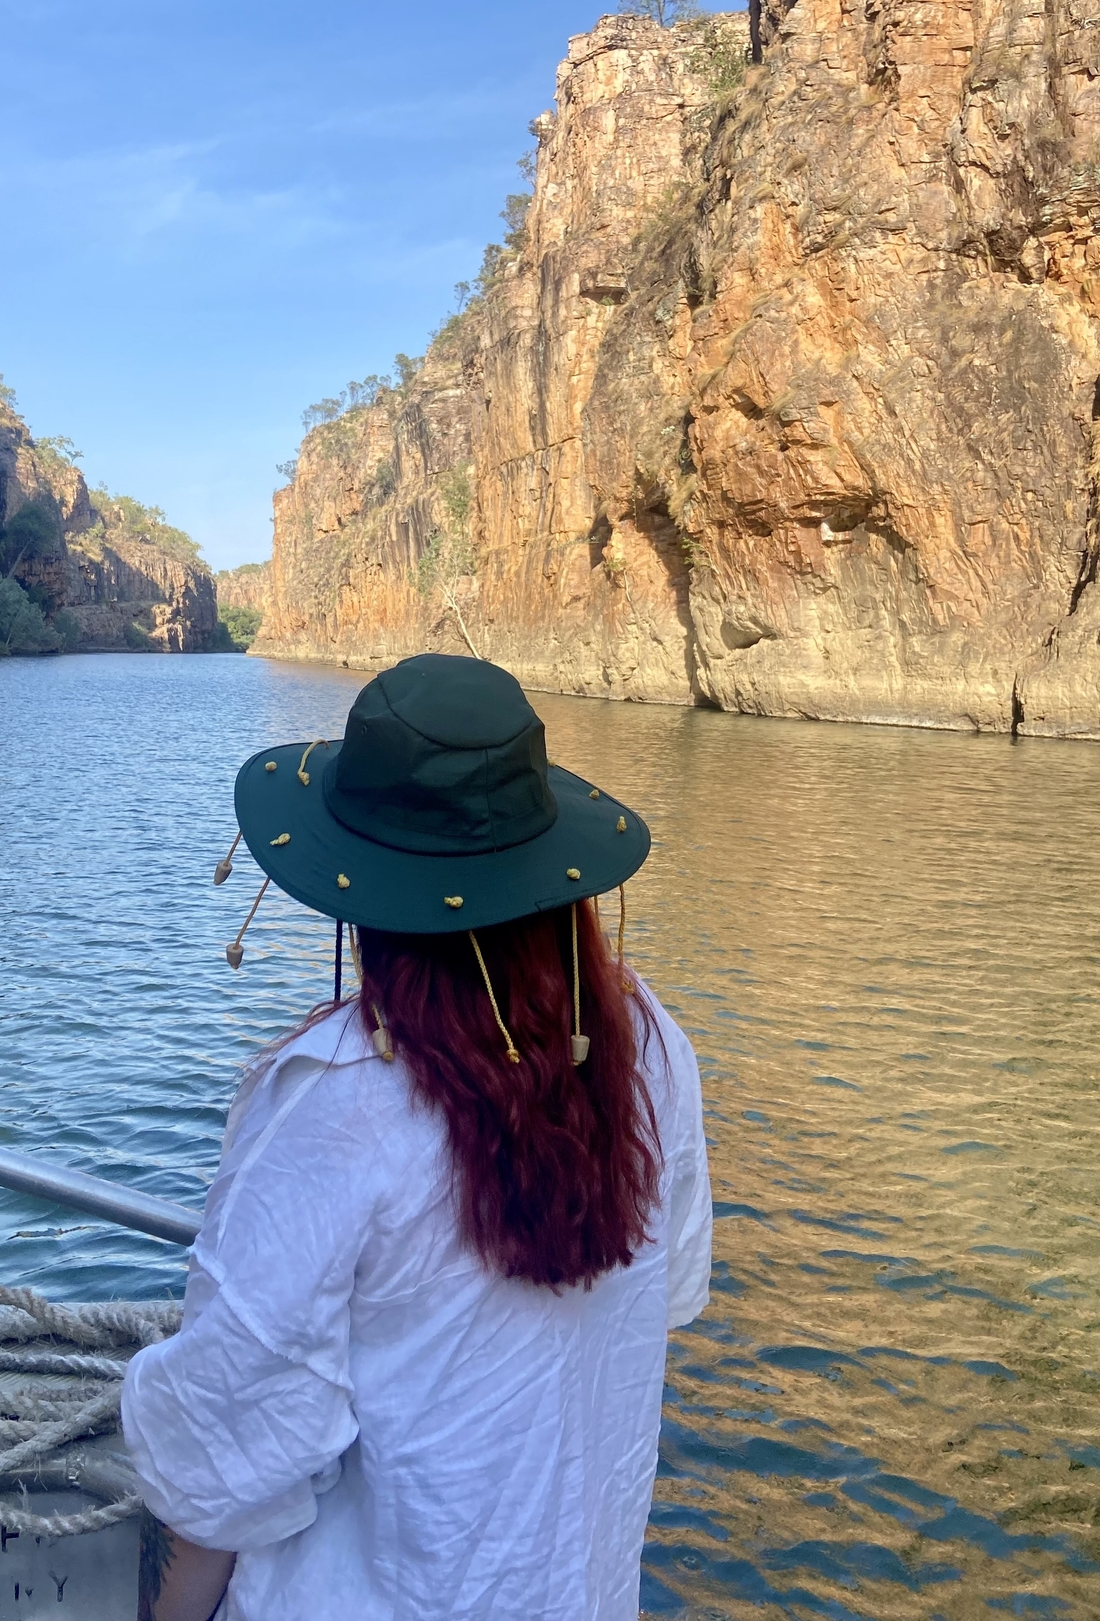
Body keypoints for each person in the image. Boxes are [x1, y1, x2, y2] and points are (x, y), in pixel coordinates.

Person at [122, 653, 712, 1621]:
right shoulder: (647, 1048)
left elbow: (223, 1460)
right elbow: (668, 1298)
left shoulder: (333, 1103)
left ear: (364, 887)